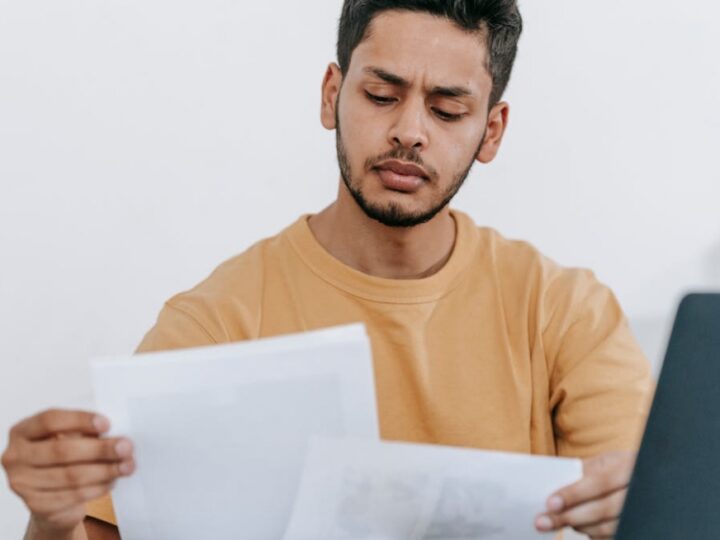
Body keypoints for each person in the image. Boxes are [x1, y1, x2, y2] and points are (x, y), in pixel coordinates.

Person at [1, 1, 653, 539]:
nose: (410, 132)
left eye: (448, 109)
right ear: (332, 95)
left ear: (492, 131)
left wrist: (649, 513)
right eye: (380, 94)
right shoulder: (220, 319)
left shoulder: (565, 310)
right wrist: (51, 520)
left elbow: (660, 510)